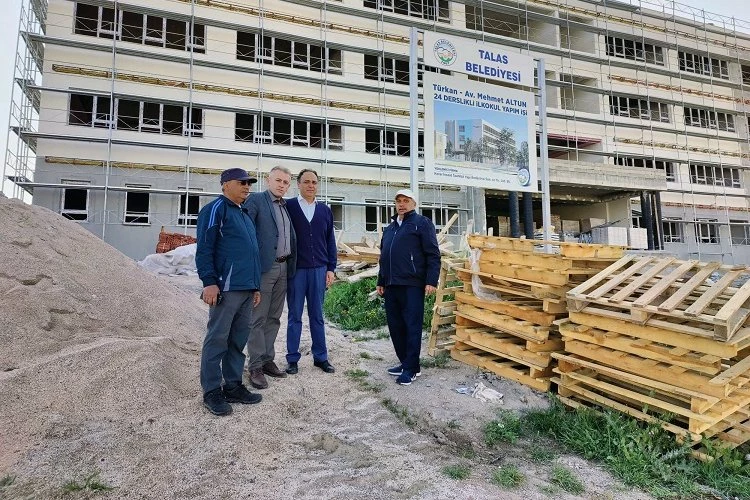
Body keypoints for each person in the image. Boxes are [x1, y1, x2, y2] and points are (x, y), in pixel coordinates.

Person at [196, 168, 263, 416]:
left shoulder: (244, 214)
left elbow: (251, 253)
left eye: (249, 183)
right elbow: (204, 248)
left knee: (237, 340)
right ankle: (212, 391)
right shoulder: (215, 209)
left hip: (246, 288)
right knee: (217, 339)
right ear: (225, 184)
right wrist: (209, 282)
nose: (247, 187)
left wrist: (255, 285)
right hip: (225, 287)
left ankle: (233, 385)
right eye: (241, 182)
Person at [376, 189, 441, 386]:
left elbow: (433, 254)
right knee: (396, 327)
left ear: (414, 203)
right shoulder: (390, 228)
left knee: (412, 326)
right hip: (391, 284)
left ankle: (411, 369)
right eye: (398, 201)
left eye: (406, 200)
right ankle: (406, 363)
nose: (401, 204)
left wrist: (431, 280)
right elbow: (384, 257)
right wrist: (381, 280)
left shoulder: (422, 223)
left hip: (412, 284)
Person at [244, 166, 297, 389]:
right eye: (278, 180)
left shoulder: (285, 206)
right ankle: (255, 365)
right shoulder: (256, 201)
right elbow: (245, 233)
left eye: (285, 182)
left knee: (274, 317)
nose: (281, 185)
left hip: (284, 267)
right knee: (258, 318)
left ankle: (267, 360)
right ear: (268, 180)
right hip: (264, 269)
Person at [284, 168, 338, 375]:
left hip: (319, 270)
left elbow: (330, 241)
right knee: (294, 316)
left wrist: (331, 268)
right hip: (296, 270)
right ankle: (292, 359)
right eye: (306, 181)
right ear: (298, 184)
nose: (310, 185)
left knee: (317, 316)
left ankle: (320, 357)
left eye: (314, 182)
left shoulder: (324, 210)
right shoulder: (288, 206)